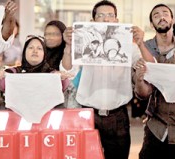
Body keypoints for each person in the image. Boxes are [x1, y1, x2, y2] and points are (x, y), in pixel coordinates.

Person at [61, 1, 154, 159]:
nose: (106, 19)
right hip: (88, 113)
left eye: (110, 15)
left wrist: (140, 43)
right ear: (92, 21)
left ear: (116, 21)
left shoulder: (128, 45)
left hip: (118, 116)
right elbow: (67, 71)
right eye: (101, 15)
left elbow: (150, 67)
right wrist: (69, 46)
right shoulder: (84, 41)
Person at [135, 16, 175, 159]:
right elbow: (144, 93)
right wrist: (139, 79)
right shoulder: (160, 62)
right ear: (174, 36)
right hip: (155, 133)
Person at [0, 35, 70, 92]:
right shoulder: (13, 72)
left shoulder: (52, 73)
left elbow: (63, 87)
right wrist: (0, 77)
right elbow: (2, 86)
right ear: (24, 52)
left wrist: (63, 78)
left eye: (39, 48)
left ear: (44, 54)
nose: (35, 51)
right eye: (31, 48)